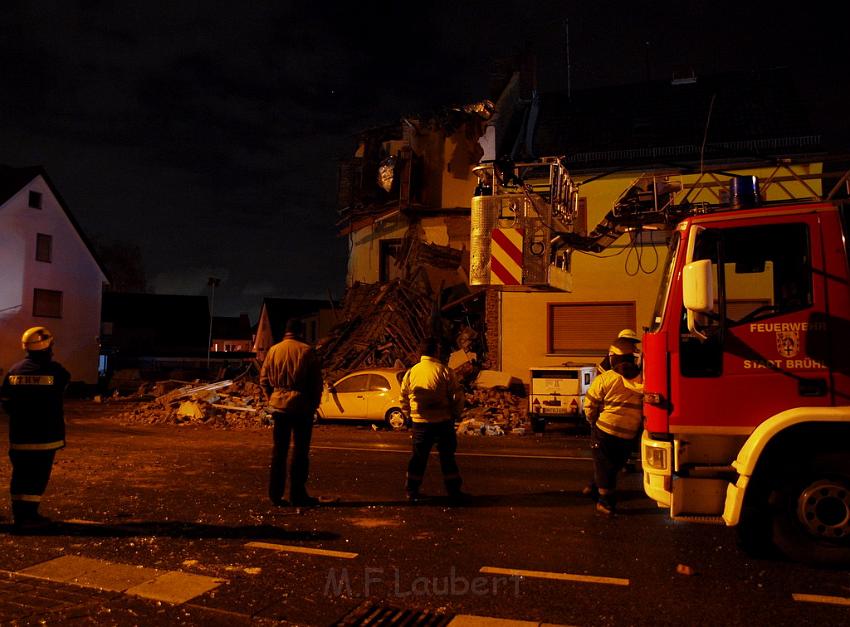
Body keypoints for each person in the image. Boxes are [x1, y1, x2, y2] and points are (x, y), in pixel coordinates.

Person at [0, 327, 70, 531]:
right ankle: (29, 517)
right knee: (37, 477)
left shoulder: (14, 372)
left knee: (20, 475)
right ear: (47, 346)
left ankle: (21, 515)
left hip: (20, 437)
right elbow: (64, 386)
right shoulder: (56, 371)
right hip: (46, 437)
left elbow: (6, 403)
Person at [260, 319, 324, 508]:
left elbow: (263, 380)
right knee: (300, 452)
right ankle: (297, 494)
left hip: (280, 408)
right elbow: (316, 383)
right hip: (302, 407)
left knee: (279, 452)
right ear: (300, 331)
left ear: (286, 331)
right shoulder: (307, 351)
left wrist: (273, 398)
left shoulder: (273, 351)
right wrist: (313, 405)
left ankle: (275, 494)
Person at [401, 337, 468, 504]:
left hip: (420, 422)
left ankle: (412, 490)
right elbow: (457, 396)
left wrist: (408, 414)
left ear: (421, 353)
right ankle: (453, 490)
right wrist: (455, 413)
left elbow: (403, 396)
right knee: (447, 457)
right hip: (442, 421)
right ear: (436, 352)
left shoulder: (412, 372)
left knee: (418, 457)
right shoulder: (444, 371)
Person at [583, 341, 644, 515]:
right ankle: (593, 486)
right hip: (629, 432)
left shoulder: (605, 378)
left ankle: (605, 502)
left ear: (613, 358)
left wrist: (592, 420)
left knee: (604, 464)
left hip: (605, 430)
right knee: (614, 464)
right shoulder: (642, 378)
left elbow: (590, 405)